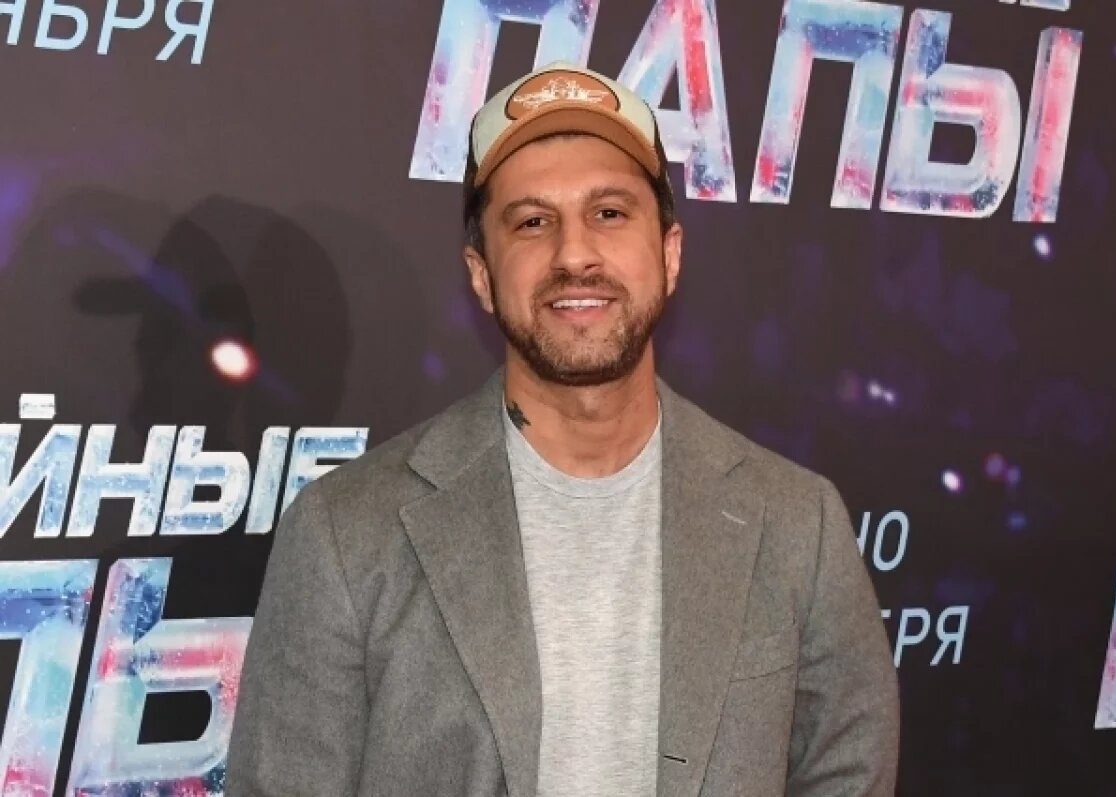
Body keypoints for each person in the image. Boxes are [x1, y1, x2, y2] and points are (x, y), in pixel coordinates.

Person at [227, 62, 899, 797]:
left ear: (670, 254)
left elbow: (848, 774)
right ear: (481, 275)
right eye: (532, 222)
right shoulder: (344, 534)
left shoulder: (799, 523)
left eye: (609, 212)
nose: (575, 254)